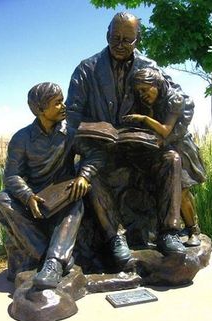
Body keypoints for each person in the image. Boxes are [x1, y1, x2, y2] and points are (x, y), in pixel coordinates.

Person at [66, 12, 191, 256]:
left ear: (138, 40)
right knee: (91, 171)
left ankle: (169, 233)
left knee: (171, 160)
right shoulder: (86, 69)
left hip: (141, 148)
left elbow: (180, 102)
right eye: (115, 38)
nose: (120, 45)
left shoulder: (149, 67)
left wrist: (163, 135)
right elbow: (71, 117)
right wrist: (94, 129)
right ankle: (115, 238)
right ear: (107, 35)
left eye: (127, 40)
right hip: (104, 150)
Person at [0, 82, 105, 289]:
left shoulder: (70, 133)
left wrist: (84, 176)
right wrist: (28, 196)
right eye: (57, 103)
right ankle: (47, 254)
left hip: (62, 196)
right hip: (34, 198)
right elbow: (12, 175)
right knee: (2, 198)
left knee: (75, 202)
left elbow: (95, 155)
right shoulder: (21, 138)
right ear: (39, 109)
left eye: (62, 100)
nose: (63, 106)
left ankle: (54, 263)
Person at [123, 68, 206, 246]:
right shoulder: (153, 101)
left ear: (157, 84)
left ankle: (194, 230)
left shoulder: (174, 99)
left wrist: (144, 118)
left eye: (146, 89)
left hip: (181, 150)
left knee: (182, 192)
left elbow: (166, 130)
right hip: (164, 150)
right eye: (139, 92)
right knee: (167, 191)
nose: (143, 95)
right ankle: (173, 229)